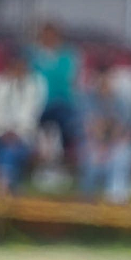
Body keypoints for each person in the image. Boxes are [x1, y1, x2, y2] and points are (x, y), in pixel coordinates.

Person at [0, 47, 47, 192]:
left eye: (22, 64)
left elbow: (32, 115)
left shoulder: (35, 85)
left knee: (11, 150)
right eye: (15, 64)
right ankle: (10, 190)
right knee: (6, 149)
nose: (18, 68)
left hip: (25, 136)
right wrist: (4, 132)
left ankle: (1, 187)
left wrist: (16, 132)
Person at [79, 61, 131, 203]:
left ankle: (115, 202)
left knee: (122, 155)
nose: (105, 83)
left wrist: (110, 141)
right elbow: (91, 128)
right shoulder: (87, 100)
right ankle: (88, 203)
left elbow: (124, 131)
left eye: (108, 79)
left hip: (117, 145)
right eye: (101, 79)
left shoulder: (122, 102)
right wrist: (102, 145)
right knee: (91, 157)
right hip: (94, 145)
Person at [27, 20, 82, 163]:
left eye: (52, 35)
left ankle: (67, 157)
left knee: (68, 122)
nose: (48, 38)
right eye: (45, 35)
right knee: (27, 122)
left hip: (61, 103)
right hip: (37, 104)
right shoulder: (33, 54)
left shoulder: (68, 55)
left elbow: (66, 78)